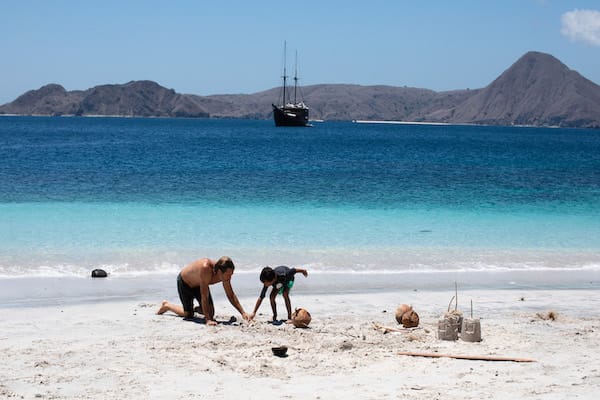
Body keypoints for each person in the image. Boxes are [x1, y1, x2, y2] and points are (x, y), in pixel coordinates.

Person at [157, 256, 250, 326]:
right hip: (185, 283)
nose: (230, 277)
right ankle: (167, 305)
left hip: (199, 285)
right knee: (188, 315)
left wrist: (243, 313)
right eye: (228, 274)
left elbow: (230, 294)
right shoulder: (206, 269)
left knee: (210, 312)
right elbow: (204, 296)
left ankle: (194, 309)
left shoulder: (225, 276)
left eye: (231, 274)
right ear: (219, 271)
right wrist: (208, 320)